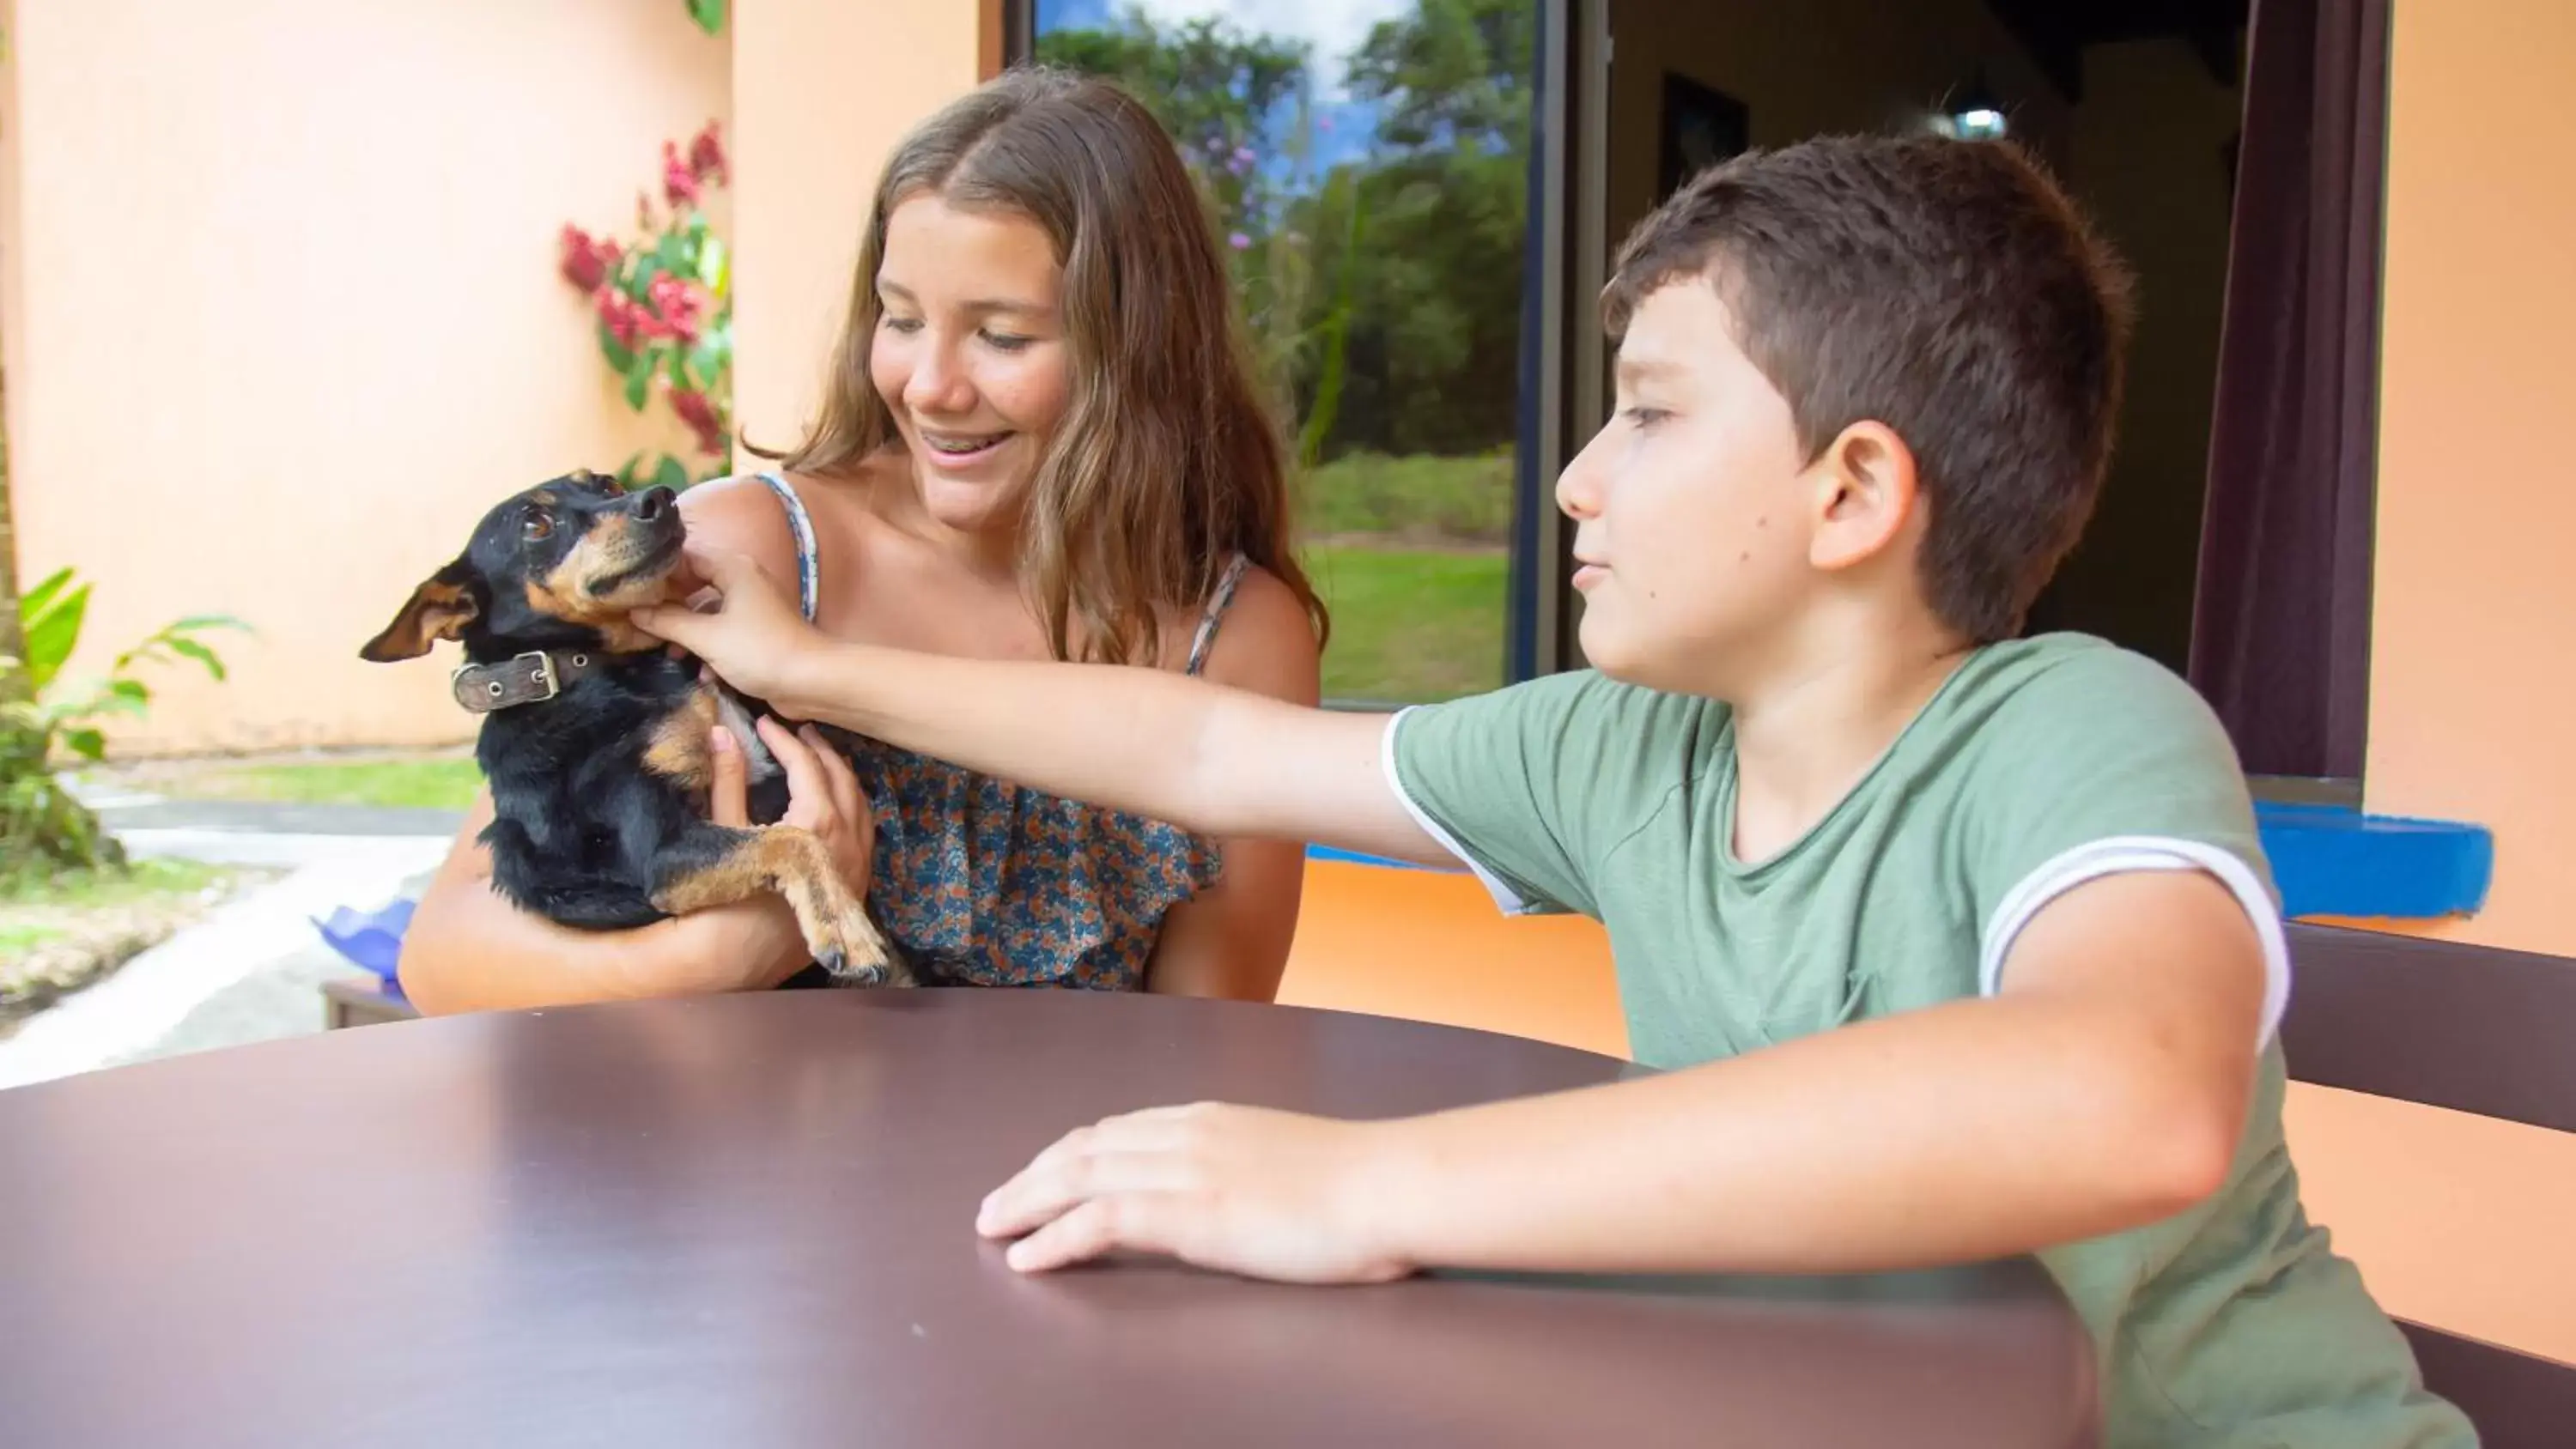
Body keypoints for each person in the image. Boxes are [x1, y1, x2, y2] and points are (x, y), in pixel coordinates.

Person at [635, 131, 2475, 1446]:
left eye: (1652, 415)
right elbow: (1207, 748)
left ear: (1850, 492)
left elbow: (2122, 1098)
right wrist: (808, 672)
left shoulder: (2080, 727)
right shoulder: (1628, 751)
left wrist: (1366, 1188)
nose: (1577, 481)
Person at [394, 67, 1326, 1013]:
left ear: (1139, 349)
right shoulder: (745, 554)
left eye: (1002, 336)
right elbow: (448, 961)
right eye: (903, 317)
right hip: (727, 1150)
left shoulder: (1235, 637)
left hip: (1072, 1154)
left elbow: (1210, 1037)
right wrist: (720, 957)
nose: (930, 386)